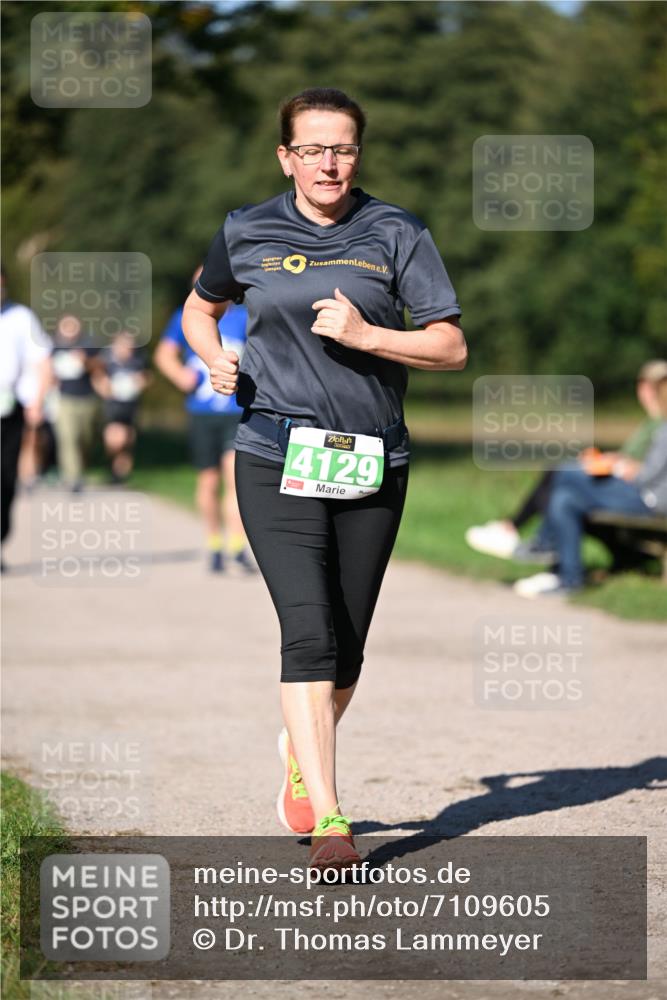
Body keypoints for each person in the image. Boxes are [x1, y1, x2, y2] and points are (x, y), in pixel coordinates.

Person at [181, 87, 467, 869]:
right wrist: (212, 356)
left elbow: (448, 347)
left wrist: (371, 334)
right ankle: (333, 820)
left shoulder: (397, 231)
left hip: (372, 459)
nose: (328, 162)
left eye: (342, 148)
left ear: (357, 154)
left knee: (345, 648)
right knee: (306, 633)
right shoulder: (246, 230)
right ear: (286, 157)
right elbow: (199, 309)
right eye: (311, 149)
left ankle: (299, 744)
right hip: (274, 451)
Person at [465, 358, 667, 562]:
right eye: (651, 386)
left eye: (657, 387)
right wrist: (611, 459)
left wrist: (619, 465)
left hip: (642, 495)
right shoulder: (652, 423)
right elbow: (638, 460)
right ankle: (549, 554)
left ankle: (535, 540)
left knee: (563, 476)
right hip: (629, 485)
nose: (652, 392)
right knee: (563, 484)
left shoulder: (662, 424)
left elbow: (648, 472)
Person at [514, 376, 667, 597]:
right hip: (647, 495)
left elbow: (645, 477)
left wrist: (617, 467)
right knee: (565, 498)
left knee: (565, 471)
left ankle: (545, 542)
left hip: (651, 500)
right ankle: (570, 578)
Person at [155, 274, 254, 573]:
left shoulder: (246, 318)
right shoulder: (185, 316)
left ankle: (237, 546)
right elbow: (163, 354)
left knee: (235, 480)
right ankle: (214, 544)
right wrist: (179, 376)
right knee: (208, 482)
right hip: (202, 413)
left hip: (236, 412)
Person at [0, 266, 51, 568]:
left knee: (5, 478)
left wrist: (38, 401)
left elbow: (41, 360)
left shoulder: (21, 317)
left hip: (10, 409)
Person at [49, 314, 102, 492]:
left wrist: (85, 361)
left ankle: (80, 469)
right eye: (66, 326)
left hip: (87, 398)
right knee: (67, 437)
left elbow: (100, 367)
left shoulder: (88, 345)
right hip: (64, 398)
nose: (70, 330)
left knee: (84, 438)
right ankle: (72, 477)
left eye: (73, 326)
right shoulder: (52, 347)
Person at [93, 330, 151, 483]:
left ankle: (121, 476)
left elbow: (147, 377)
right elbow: (97, 377)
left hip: (131, 406)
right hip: (113, 406)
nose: (127, 348)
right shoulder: (107, 360)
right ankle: (111, 466)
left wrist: (141, 381)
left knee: (127, 441)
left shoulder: (139, 360)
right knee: (115, 440)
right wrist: (105, 388)